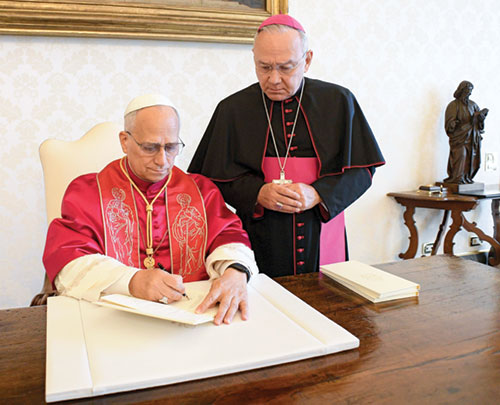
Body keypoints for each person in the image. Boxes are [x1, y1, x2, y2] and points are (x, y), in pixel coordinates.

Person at [188, 14, 385, 278]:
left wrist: (318, 195)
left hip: (322, 229)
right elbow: (210, 179)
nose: (274, 79)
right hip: (259, 233)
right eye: (264, 67)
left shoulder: (338, 101)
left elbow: (362, 171)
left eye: (286, 67)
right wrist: (257, 193)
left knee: (325, 307)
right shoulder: (233, 109)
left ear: (307, 60)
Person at [43, 94, 258, 325]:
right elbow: (68, 260)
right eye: (150, 147)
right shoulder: (87, 192)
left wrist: (235, 272)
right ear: (125, 141)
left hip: (191, 317)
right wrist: (132, 280)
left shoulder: (201, 190)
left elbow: (228, 235)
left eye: (171, 147)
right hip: (113, 321)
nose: (162, 160)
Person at [444, 80, 488, 184]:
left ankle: (467, 177)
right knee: (461, 156)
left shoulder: (473, 105)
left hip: (472, 138)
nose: (469, 94)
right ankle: (457, 178)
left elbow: (479, 125)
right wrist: (453, 124)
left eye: (470, 92)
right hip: (459, 138)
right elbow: (449, 123)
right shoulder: (453, 105)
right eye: (467, 91)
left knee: (472, 160)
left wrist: (481, 118)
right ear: (461, 90)